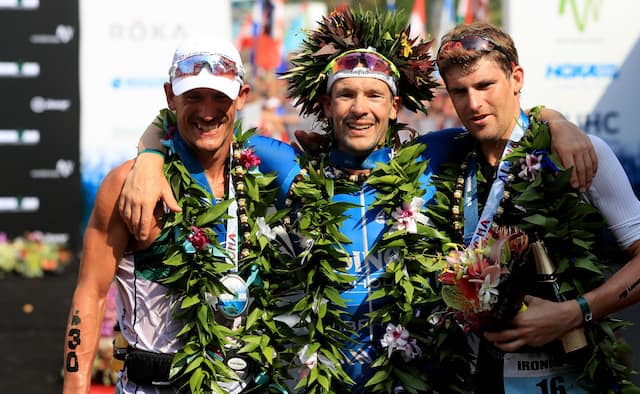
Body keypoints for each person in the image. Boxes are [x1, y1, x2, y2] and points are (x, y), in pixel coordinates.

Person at [117, 8, 599, 392]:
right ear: (325, 106)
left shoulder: (432, 157)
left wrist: (555, 120)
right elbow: (199, 128)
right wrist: (150, 156)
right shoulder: (287, 164)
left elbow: (502, 119)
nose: (360, 109)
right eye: (346, 94)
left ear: (395, 105)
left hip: (414, 377)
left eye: (374, 95)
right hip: (320, 379)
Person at [435, 21, 640, 393]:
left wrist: (575, 311)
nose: (473, 104)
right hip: (474, 377)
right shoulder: (449, 157)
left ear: (516, 78)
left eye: (485, 85)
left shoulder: (574, 152)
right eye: (459, 92)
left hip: (568, 377)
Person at [62, 38, 254, 393]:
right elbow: (91, 292)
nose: (208, 111)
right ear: (170, 97)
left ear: (242, 97)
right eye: (194, 97)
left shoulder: (259, 176)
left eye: (220, 98)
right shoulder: (126, 184)